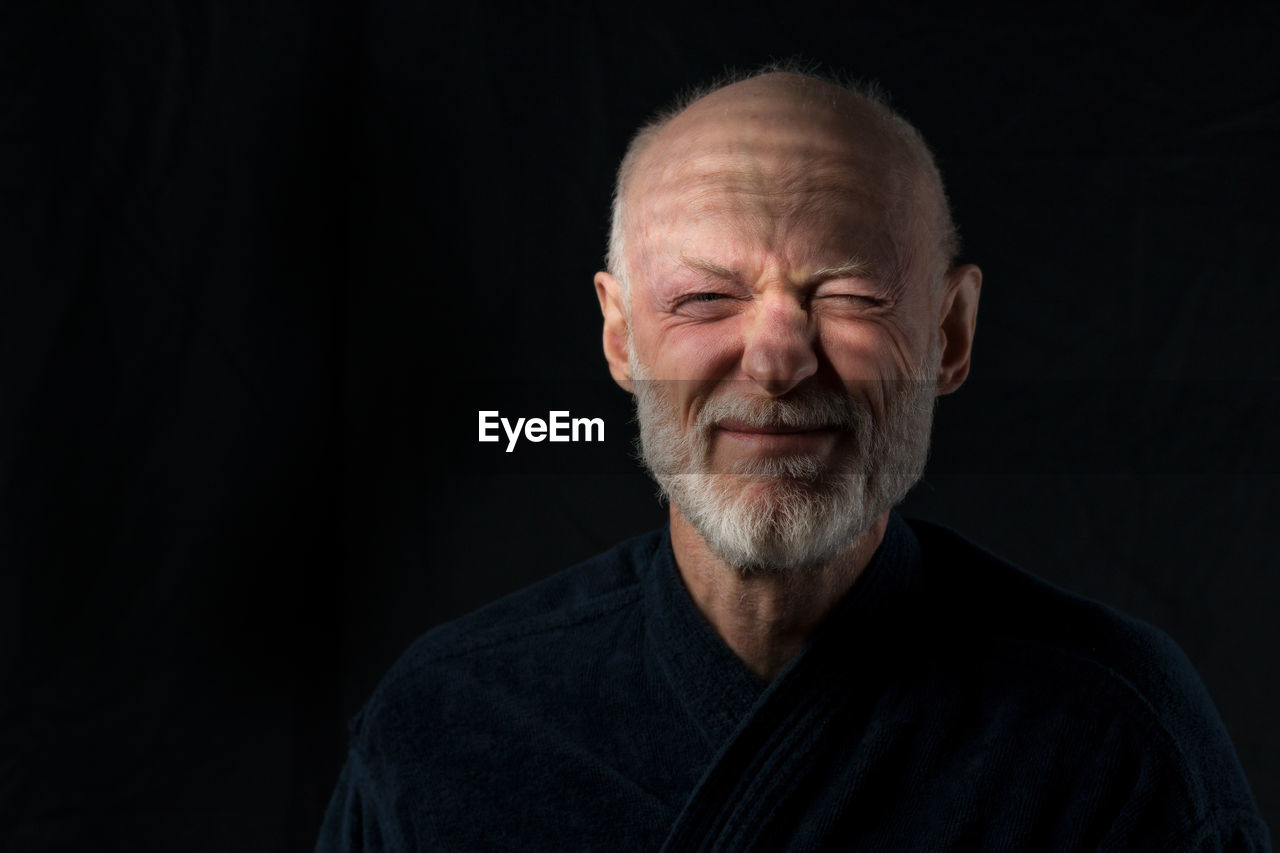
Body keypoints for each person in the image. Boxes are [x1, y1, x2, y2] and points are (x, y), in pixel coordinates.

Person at [316, 68, 1269, 851]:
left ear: (948, 332)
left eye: (847, 294)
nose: (775, 361)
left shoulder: (1114, 735)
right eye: (703, 299)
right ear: (619, 336)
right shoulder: (445, 725)